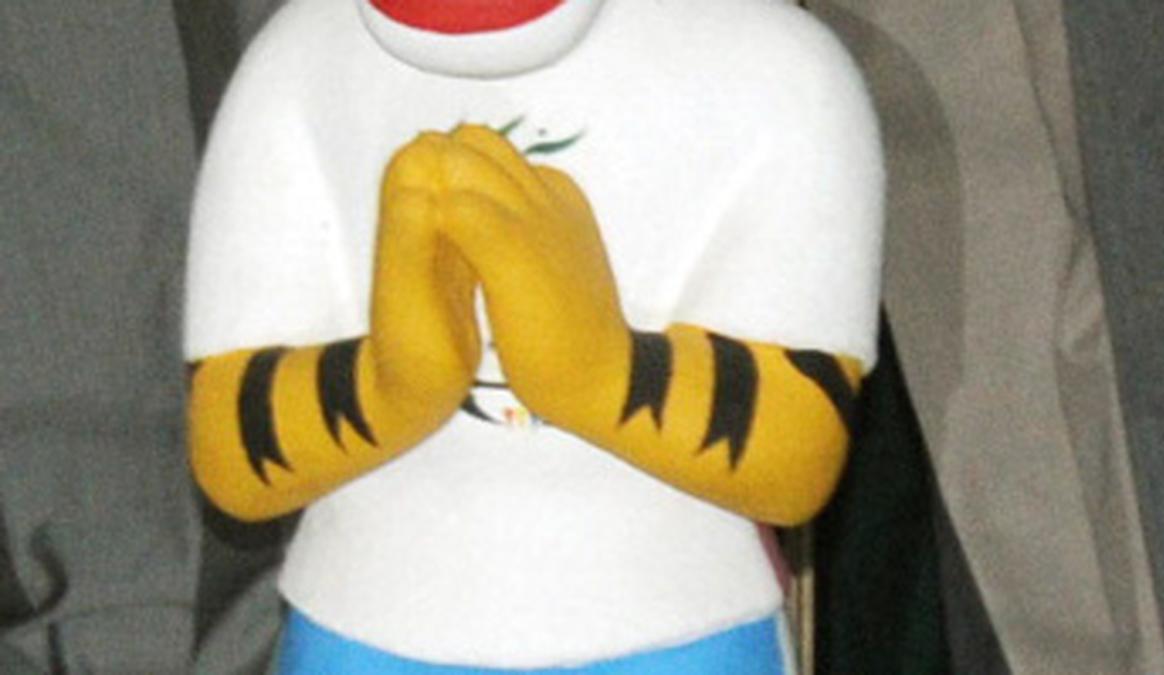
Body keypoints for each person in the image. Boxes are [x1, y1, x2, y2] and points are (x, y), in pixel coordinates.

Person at [184, 0, 883, 671]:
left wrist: (608, 373)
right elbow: (228, 449)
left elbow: (798, 452)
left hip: (681, 627)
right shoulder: (303, 55)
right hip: (362, 621)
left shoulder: (774, 70)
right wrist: (384, 388)